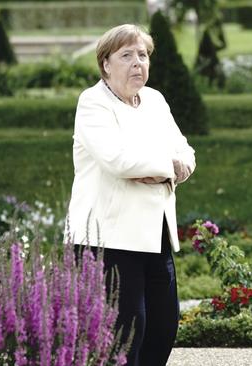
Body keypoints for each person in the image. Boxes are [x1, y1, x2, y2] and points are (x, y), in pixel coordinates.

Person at [66, 24, 196, 366]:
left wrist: (164, 166)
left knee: (163, 328)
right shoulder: (93, 103)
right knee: (125, 336)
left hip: (156, 234)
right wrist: (169, 165)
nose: (138, 62)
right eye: (127, 55)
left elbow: (185, 151)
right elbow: (119, 160)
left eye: (142, 54)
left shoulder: (154, 100)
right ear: (106, 64)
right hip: (109, 239)